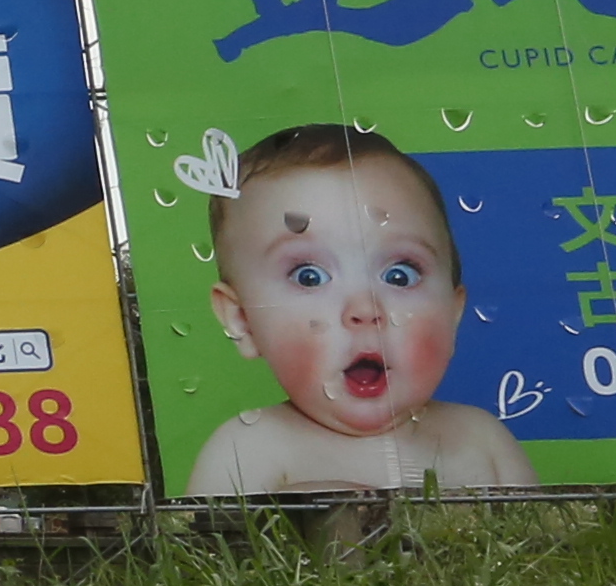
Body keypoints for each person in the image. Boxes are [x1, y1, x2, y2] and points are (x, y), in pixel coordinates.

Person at [179, 123, 538, 496]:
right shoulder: (248, 449)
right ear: (242, 321)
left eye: (399, 276)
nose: (365, 309)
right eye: (309, 277)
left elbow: (547, 550)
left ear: (453, 311)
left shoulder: (483, 441)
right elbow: (202, 554)